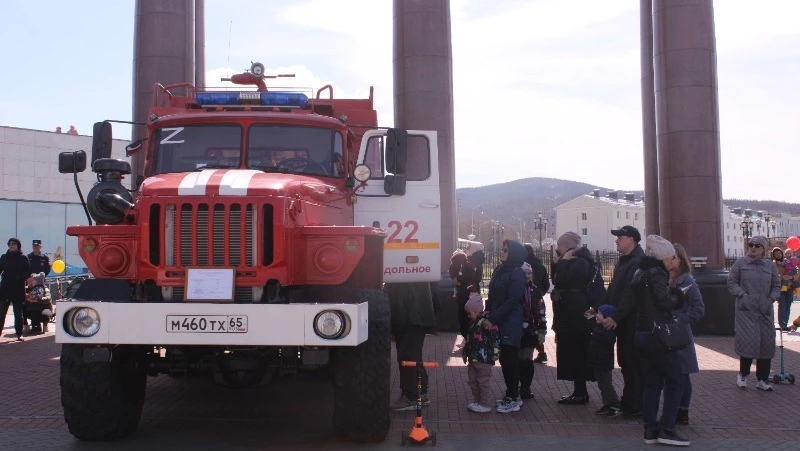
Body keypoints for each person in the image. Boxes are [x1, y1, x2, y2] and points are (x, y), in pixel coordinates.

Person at [632, 234, 689, 447]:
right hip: (658, 335)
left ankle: (650, 428)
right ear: (663, 256)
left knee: (651, 383)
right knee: (675, 380)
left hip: (641, 333)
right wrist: (678, 295)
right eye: (669, 256)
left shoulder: (639, 272)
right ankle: (667, 428)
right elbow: (664, 302)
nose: (671, 260)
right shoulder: (657, 273)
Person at [600, 225, 645, 418]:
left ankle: (635, 406)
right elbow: (614, 291)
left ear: (631, 239)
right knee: (626, 362)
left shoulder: (637, 262)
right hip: (623, 321)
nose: (616, 240)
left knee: (633, 364)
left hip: (632, 322)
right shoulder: (624, 261)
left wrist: (616, 316)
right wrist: (601, 309)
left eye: (620, 237)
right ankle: (629, 403)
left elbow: (630, 295)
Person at [727, 235, 780, 392]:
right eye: (751, 245)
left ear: (763, 249)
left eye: (757, 245)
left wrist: (771, 298)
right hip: (746, 310)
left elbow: (777, 285)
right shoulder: (740, 263)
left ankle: (762, 379)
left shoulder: (770, 265)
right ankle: (743, 375)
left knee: (766, 343)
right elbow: (731, 282)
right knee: (748, 342)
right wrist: (742, 295)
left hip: (765, 310)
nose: (753, 247)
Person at [550, 231, 595, 405]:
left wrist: (562, 262)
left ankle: (581, 392)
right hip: (569, 314)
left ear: (568, 245)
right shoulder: (574, 261)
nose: (557, 247)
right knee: (572, 352)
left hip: (574, 315)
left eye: (560, 244)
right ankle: (578, 391)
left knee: (577, 352)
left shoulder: (580, 262)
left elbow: (561, 279)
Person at [483, 239, 526, 413]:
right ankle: (510, 394)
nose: (502, 252)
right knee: (504, 359)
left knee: (510, 360)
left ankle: (514, 396)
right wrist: (488, 313)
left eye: (506, 250)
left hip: (510, 321)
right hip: (498, 319)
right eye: (502, 249)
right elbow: (493, 295)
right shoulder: (500, 269)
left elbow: (512, 301)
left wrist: (493, 318)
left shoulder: (518, 273)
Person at [667, 243, 705, 426]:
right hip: (663, 335)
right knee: (670, 374)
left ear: (680, 260)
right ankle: (672, 410)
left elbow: (699, 308)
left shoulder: (687, 282)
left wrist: (680, 320)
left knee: (682, 374)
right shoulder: (662, 279)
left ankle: (682, 411)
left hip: (679, 335)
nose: (669, 261)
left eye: (673, 257)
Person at [385, 282, 436, 411]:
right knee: (413, 355)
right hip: (412, 317)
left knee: (408, 356)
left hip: (410, 317)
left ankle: (411, 396)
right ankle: (419, 393)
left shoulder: (406, 274)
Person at [462, 291, 500, 413]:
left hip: (484, 359)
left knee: (482, 381)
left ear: (477, 311)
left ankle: (484, 403)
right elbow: (469, 341)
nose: (468, 316)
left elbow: (495, 338)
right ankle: (478, 401)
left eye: (470, 313)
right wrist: (465, 352)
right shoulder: (473, 323)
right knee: (473, 381)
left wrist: (495, 352)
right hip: (473, 358)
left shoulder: (486, 323)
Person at [587, 304, 621, 416]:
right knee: (602, 385)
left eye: (600, 314)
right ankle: (607, 405)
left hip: (604, 363)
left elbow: (606, 341)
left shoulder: (608, 330)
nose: (597, 315)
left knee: (606, 385)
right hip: (598, 361)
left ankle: (615, 405)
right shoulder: (599, 327)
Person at [518, 262, 545, 400]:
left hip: (531, 330)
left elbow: (541, 311)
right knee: (517, 359)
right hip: (516, 330)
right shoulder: (514, 289)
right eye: (524, 273)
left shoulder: (535, 291)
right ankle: (516, 385)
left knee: (527, 358)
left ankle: (525, 387)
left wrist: (542, 330)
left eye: (529, 273)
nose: (528, 276)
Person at [0, 238, 32, 341]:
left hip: (18, 288)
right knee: (1, 312)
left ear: (18, 246)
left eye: (13, 244)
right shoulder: (4, 257)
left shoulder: (23, 258)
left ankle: (19, 334)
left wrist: (20, 277)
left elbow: (28, 272)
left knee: (18, 313)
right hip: (5, 288)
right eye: (9, 244)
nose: (11, 245)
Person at [524, 243, 551, 364]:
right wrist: (539, 293)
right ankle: (541, 352)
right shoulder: (540, 265)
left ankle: (526, 353)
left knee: (527, 326)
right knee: (538, 324)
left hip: (525, 298)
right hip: (537, 297)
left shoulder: (523, 265)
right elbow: (547, 284)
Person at [449, 250, 478, 343]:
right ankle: (468, 338)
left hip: (463, 296)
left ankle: (468, 338)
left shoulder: (459, 266)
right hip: (469, 295)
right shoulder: (469, 265)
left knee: (463, 318)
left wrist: (458, 279)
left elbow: (455, 278)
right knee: (467, 318)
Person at [777, 248, 797, 331]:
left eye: (790, 253)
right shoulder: (779, 263)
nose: (788, 254)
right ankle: (782, 324)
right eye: (787, 253)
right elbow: (775, 275)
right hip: (781, 288)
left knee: (788, 305)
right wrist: (782, 276)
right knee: (782, 305)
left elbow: (797, 274)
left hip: (790, 287)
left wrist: (791, 277)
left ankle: (785, 323)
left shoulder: (793, 260)